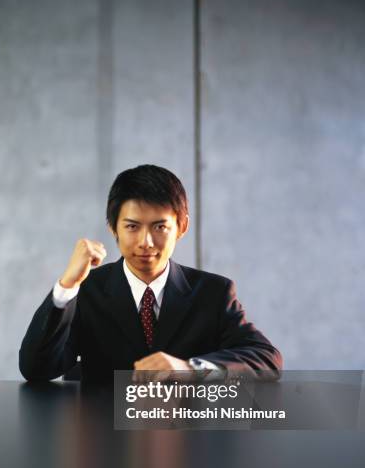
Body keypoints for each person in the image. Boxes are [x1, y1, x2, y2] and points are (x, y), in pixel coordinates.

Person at [19, 164, 282, 383]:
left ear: (182, 226)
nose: (146, 242)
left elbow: (267, 359)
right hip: (105, 435)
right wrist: (67, 286)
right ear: (113, 227)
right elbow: (36, 370)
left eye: (159, 227)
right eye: (132, 226)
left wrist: (190, 369)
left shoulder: (213, 293)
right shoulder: (87, 290)